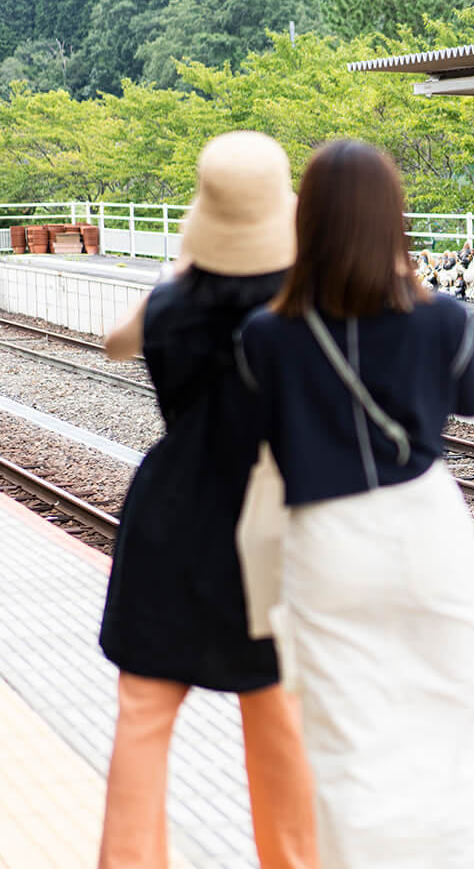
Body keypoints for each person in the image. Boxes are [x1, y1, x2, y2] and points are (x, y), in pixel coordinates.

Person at [237, 140, 474, 868]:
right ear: (394, 219)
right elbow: (471, 400)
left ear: (310, 221)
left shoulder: (266, 334)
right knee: (460, 716)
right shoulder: (443, 319)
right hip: (426, 528)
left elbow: (253, 437)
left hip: (325, 540)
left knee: (345, 732)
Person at [98, 131, 319, 869]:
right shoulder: (297, 318)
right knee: (279, 720)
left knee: (142, 718)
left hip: (166, 520)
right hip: (264, 529)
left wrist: (182, 269)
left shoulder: (170, 308)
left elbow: (114, 341)